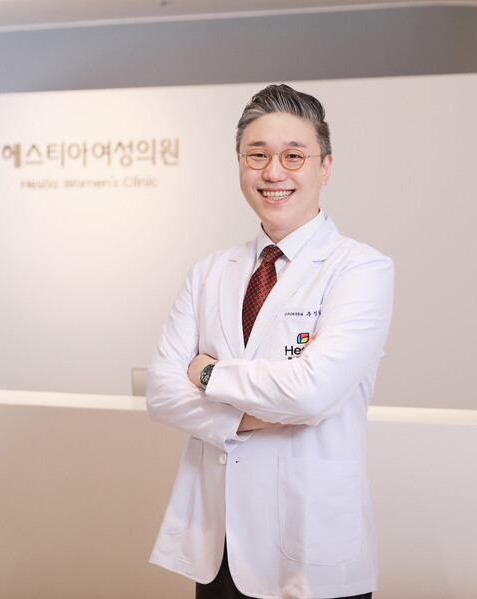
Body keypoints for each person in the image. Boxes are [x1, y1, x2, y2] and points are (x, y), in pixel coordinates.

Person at [146, 84, 394, 599]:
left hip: (312, 550)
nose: (273, 172)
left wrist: (207, 374)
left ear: (325, 168)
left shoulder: (361, 269)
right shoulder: (209, 271)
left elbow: (312, 392)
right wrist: (246, 419)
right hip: (219, 550)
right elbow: (162, 393)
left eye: (293, 156)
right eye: (256, 155)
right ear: (240, 164)